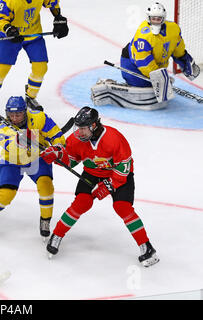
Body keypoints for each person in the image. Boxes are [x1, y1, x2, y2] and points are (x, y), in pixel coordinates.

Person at [43, 106, 159, 267]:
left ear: (94, 125)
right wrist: (58, 156)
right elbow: (72, 161)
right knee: (81, 202)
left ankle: (147, 247)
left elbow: (123, 168)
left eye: (83, 128)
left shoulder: (114, 138)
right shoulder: (77, 139)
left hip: (117, 175)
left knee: (122, 207)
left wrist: (108, 186)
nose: (79, 132)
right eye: (78, 128)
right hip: (92, 173)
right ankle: (57, 235)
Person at [0, 96, 66, 240]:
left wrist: (57, 147)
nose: (14, 118)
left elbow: (56, 135)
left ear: (25, 112)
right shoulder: (2, 129)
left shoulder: (39, 118)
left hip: (36, 158)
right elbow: (11, 148)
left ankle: (45, 220)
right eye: (11, 115)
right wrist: (20, 140)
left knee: (46, 186)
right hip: (12, 160)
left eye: (18, 114)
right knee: (6, 195)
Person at [91, 2, 200, 110]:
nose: (156, 21)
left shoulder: (174, 29)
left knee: (158, 90)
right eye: (153, 19)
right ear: (148, 18)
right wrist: (158, 77)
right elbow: (143, 62)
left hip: (155, 65)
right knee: (146, 88)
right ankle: (108, 86)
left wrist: (184, 60)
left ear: (164, 18)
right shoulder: (144, 35)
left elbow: (177, 47)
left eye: (159, 19)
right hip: (132, 64)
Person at [0, 0, 69, 111]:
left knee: (41, 68)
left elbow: (52, 2)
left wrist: (58, 16)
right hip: (10, 38)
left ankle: (31, 96)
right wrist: (8, 29)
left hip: (33, 35)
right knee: (1, 70)